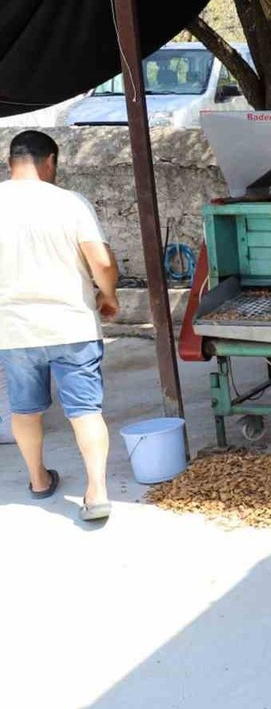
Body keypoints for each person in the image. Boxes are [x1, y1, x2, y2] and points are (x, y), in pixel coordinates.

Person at [0, 131, 119, 522]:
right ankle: (96, 490)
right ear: (49, 160)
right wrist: (109, 296)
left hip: (14, 329)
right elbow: (100, 262)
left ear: (11, 161)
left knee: (24, 409)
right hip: (72, 325)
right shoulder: (69, 202)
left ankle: (37, 480)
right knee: (85, 410)